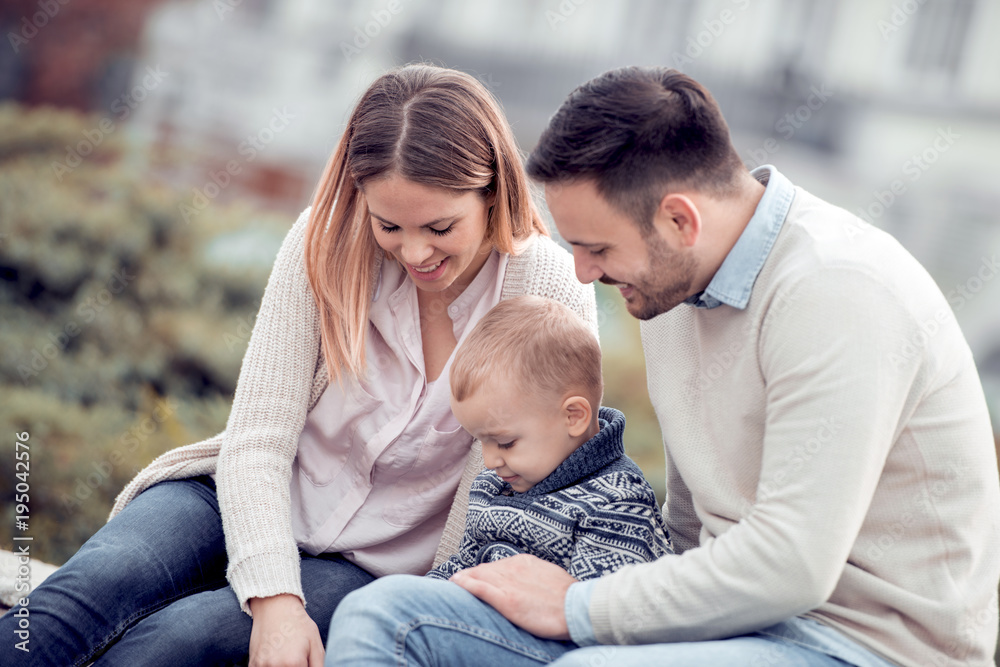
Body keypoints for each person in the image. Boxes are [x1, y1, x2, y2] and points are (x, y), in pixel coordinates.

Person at [324, 66, 1000, 667]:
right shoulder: (670, 290)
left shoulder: (838, 294)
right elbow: (687, 519)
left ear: (679, 220)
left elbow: (793, 564)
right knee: (386, 616)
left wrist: (581, 607)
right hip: (723, 626)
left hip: (858, 644)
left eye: (595, 247)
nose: (583, 273)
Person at [0, 64, 595, 667]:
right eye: (389, 225)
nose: (415, 252)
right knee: (71, 602)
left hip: (372, 568)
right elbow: (258, 438)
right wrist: (275, 596)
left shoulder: (545, 284)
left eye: (440, 227)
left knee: (177, 644)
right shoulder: (325, 242)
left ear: (492, 191)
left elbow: (553, 479)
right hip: (240, 499)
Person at [424, 295, 671, 582]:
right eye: (481, 441)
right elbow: (461, 567)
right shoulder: (492, 488)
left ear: (573, 417)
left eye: (505, 443)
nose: (489, 461)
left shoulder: (616, 502)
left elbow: (597, 608)